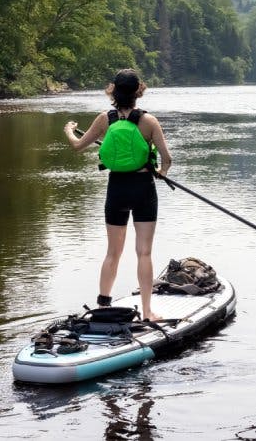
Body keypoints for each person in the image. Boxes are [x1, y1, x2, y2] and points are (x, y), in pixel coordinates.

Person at [64, 69, 172, 322]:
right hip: (144, 187)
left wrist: (69, 129)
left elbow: (78, 146)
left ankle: (102, 308)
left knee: (113, 253)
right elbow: (167, 159)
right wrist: (161, 171)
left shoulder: (105, 119)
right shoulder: (149, 122)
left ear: (113, 91)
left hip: (117, 189)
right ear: (138, 92)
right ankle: (147, 312)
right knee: (144, 252)